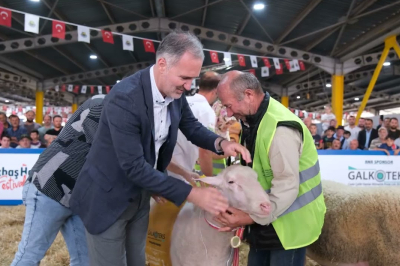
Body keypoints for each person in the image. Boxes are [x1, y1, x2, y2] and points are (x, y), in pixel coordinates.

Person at [69, 31, 251, 266]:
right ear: (163, 64)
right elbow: (133, 166)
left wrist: (221, 143)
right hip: (107, 197)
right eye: (185, 77)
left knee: (138, 259)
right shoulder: (125, 97)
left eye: (193, 79)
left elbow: (192, 127)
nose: (188, 86)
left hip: (141, 194)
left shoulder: (175, 94)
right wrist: (194, 194)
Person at [214, 71, 325, 266]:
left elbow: (286, 185)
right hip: (266, 219)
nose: (229, 113)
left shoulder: (280, 130)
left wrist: (248, 217)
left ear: (248, 95)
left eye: (229, 106)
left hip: (289, 225)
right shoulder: (252, 121)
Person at [11, 95, 106, 266]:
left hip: (77, 196)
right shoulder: (100, 104)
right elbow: (106, 151)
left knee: (85, 260)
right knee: (30, 256)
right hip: (50, 188)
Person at [167, 71, 220, 183]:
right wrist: (210, 181)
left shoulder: (181, 102)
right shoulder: (206, 111)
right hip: (180, 173)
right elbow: (204, 150)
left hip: (163, 167)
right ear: (216, 90)